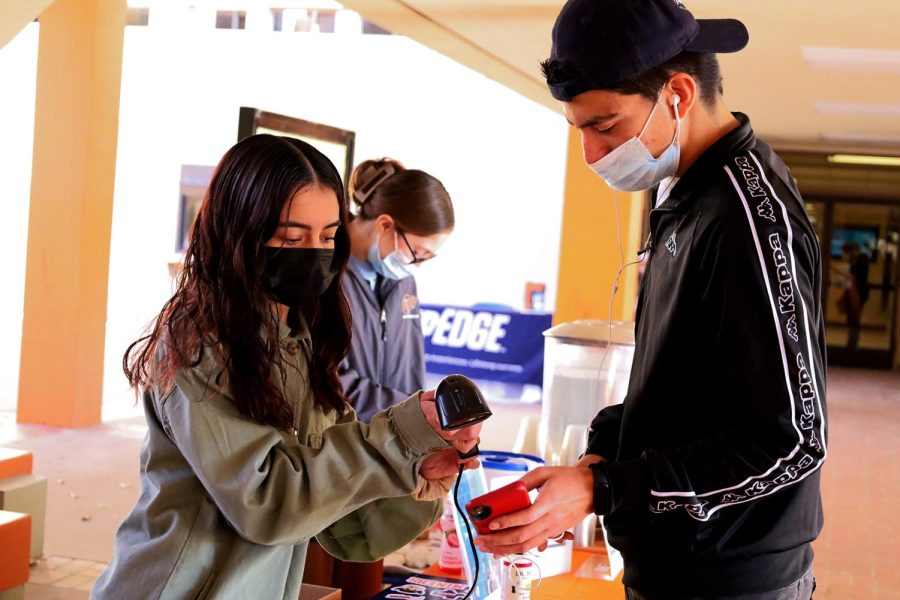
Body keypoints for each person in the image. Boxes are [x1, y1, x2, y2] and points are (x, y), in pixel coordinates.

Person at [475, 1, 827, 599]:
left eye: (605, 126)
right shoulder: (685, 196)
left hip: (730, 578)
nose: (590, 154)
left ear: (678, 95)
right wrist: (598, 462)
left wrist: (609, 490)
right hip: (670, 563)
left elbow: (791, 440)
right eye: (579, 128)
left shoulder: (748, 220)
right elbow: (673, 385)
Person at [92, 134, 480, 599]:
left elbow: (350, 529)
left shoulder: (299, 338)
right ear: (240, 232)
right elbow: (268, 502)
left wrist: (418, 470)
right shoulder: (198, 344)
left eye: (329, 236)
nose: (315, 253)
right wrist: (397, 439)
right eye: (292, 237)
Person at [340, 158, 454, 422]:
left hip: (392, 443)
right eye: (417, 253)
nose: (417, 265)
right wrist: (409, 412)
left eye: (428, 257)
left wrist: (420, 422)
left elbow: (412, 366)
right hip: (341, 443)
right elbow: (330, 383)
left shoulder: (403, 280)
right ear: (385, 225)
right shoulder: (327, 277)